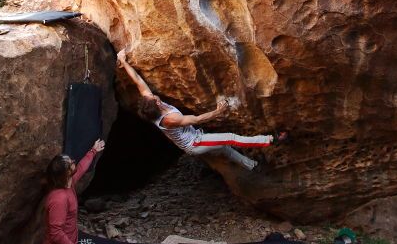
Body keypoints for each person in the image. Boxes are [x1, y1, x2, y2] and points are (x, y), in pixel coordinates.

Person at [117, 49, 285, 171]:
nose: (155, 96)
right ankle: (270, 140)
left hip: (196, 137)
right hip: (195, 143)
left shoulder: (150, 102)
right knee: (230, 138)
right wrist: (218, 112)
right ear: (158, 106)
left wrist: (123, 61)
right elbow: (197, 120)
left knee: (224, 149)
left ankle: (252, 166)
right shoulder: (169, 120)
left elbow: (138, 80)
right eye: (155, 99)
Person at [40, 139, 106, 244]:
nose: (74, 162)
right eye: (71, 163)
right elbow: (56, 234)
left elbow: (81, 168)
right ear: (66, 174)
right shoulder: (59, 199)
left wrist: (93, 151)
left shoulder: (68, 184)